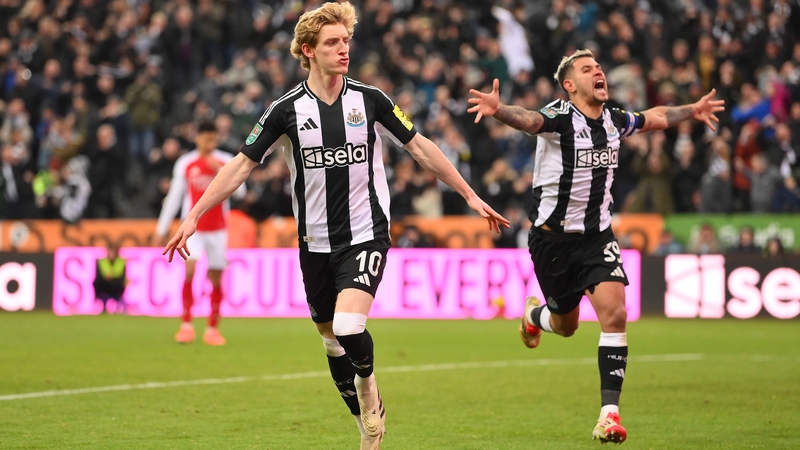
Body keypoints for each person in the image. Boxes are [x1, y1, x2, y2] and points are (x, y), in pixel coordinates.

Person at [161, 3, 509, 449]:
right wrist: (193, 215)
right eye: (332, 43)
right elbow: (241, 166)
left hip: (366, 234)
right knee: (330, 340)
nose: (344, 49)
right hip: (314, 243)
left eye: (346, 40)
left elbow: (420, 148)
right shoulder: (284, 111)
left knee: (348, 327)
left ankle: (370, 396)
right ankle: (366, 421)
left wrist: (470, 194)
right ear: (308, 51)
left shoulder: (371, 100)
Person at [468, 48, 724, 444]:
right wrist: (499, 110)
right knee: (566, 326)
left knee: (615, 314)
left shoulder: (614, 120)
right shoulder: (559, 117)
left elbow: (654, 118)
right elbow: (530, 119)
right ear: (570, 85)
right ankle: (534, 318)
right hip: (552, 242)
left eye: (599, 67)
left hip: (597, 237)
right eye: (588, 69)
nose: (598, 72)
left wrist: (691, 109)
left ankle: (609, 415)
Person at [154, 120, 245, 346]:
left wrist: (220, 171)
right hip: (193, 229)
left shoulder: (225, 161)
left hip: (218, 229)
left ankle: (212, 328)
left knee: (216, 277)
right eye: (206, 138)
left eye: (213, 139)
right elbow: (175, 196)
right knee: (189, 270)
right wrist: (161, 227)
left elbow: (241, 192)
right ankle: (186, 324)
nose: (210, 143)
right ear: (198, 138)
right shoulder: (186, 163)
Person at [93, 243, 128, 314]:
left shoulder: (120, 261)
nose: (111, 254)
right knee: (97, 283)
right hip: (105, 285)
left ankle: (120, 304)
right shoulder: (102, 261)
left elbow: (119, 274)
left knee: (120, 283)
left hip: (116, 286)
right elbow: (100, 275)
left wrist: (111, 275)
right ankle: (102, 301)